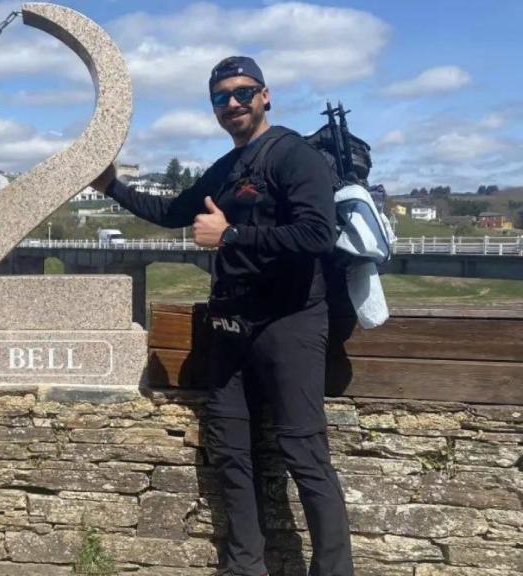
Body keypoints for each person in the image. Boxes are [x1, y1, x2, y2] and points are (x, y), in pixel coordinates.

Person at [91, 57, 353, 576]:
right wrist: (112, 186)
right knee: (232, 453)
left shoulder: (294, 156)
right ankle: (243, 567)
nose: (232, 103)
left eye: (243, 92)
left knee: (304, 455)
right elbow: (172, 212)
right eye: (221, 97)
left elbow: (316, 236)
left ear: (265, 95)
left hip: (291, 321)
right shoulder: (226, 168)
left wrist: (230, 235)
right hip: (232, 325)